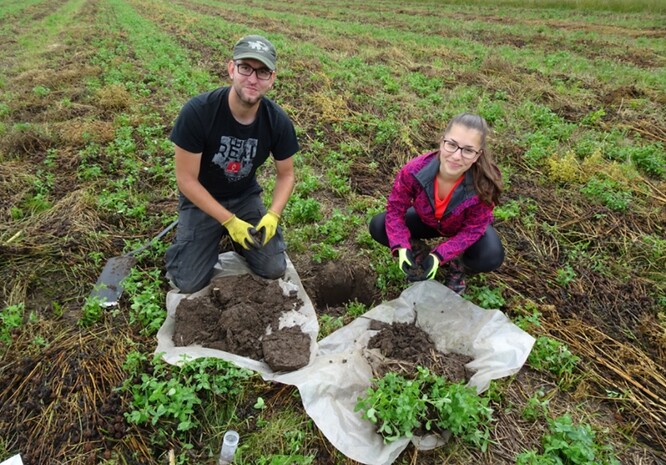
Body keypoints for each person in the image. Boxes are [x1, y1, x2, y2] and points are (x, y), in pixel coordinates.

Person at [166, 35, 299, 294]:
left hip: (244, 197)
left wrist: (273, 215)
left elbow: (287, 175)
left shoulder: (277, 121)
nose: (252, 79)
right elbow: (186, 180)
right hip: (200, 199)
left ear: (272, 79)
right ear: (231, 69)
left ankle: (238, 239)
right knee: (188, 281)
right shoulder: (198, 113)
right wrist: (228, 221)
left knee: (273, 268)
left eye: (262, 72)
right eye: (245, 68)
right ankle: (196, 235)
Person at [369, 113, 504, 294]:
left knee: (491, 256)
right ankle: (418, 253)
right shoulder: (414, 171)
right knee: (379, 225)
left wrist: (440, 255)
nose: (456, 156)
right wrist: (401, 246)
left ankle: (458, 265)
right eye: (452, 145)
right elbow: (395, 209)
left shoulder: (484, 184)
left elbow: (473, 229)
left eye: (468, 150)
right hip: (429, 221)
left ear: (477, 155)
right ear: (442, 142)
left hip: (463, 227)